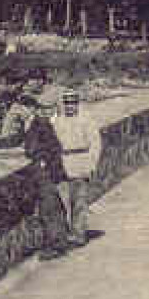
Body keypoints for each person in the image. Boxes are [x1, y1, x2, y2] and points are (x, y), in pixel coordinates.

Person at [22, 89, 72, 259]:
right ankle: (56, 242)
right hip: (45, 170)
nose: (39, 110)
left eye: (44, 108)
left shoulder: (43, 125)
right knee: (49, 207)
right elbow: (22, 140)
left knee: (49, 207)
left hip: (46, 171)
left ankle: (55, 245)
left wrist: (43, 160)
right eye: (38, 107)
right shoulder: (37, 123)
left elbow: (54, 148)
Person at [54, 88, 100, 246]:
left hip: (80, 162)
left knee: (79, 201)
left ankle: (78, 234)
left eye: (73, 103)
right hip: (62, 164)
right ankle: (66, 233)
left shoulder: (86, 120)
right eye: (67, 103)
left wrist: (91, 165)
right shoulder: (57, 120)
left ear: (77, 104)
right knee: (63, 201)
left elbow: (95, 144)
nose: (69, 107)